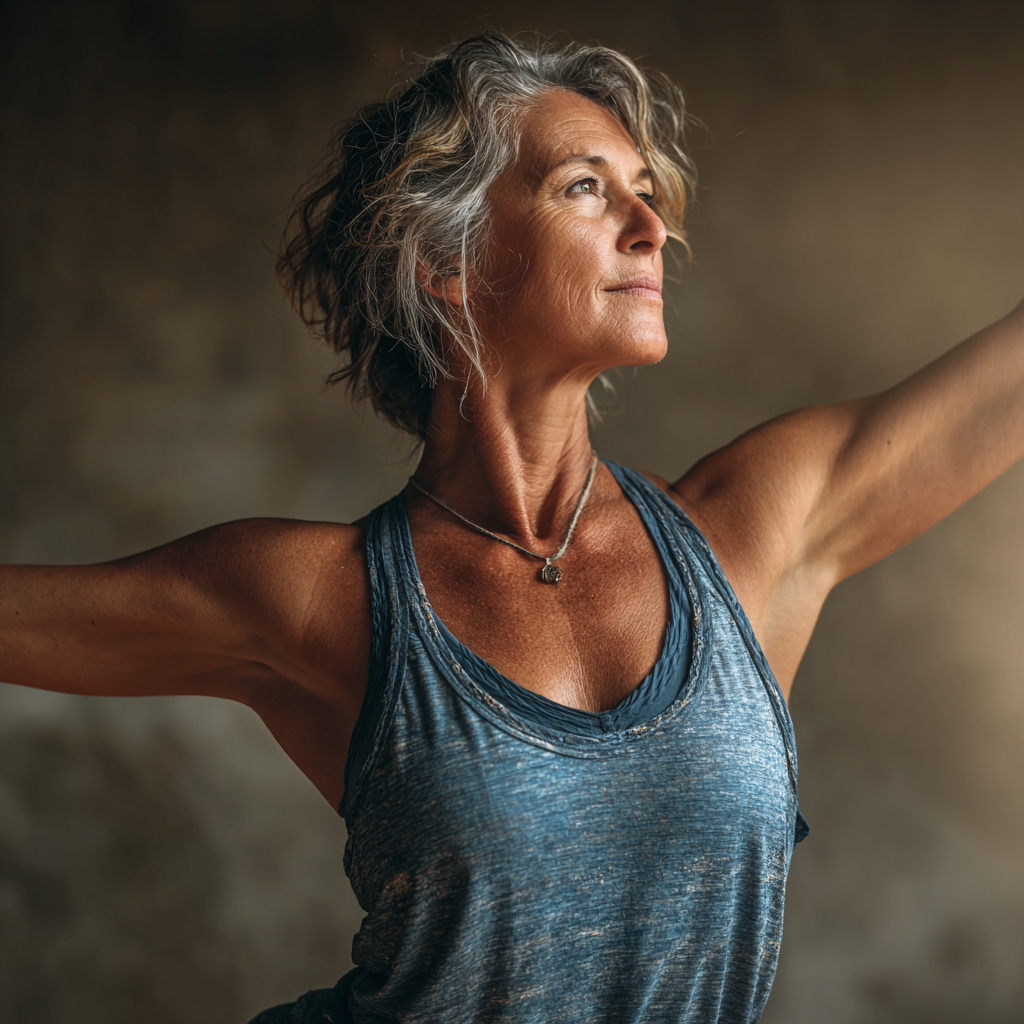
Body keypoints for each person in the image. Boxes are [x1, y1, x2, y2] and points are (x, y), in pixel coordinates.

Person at [1, 29, 1022, 1024]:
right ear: (447, 258)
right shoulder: (320, 596)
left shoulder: (747, 536)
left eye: (646, 191)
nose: (648, 225)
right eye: (585, 185)